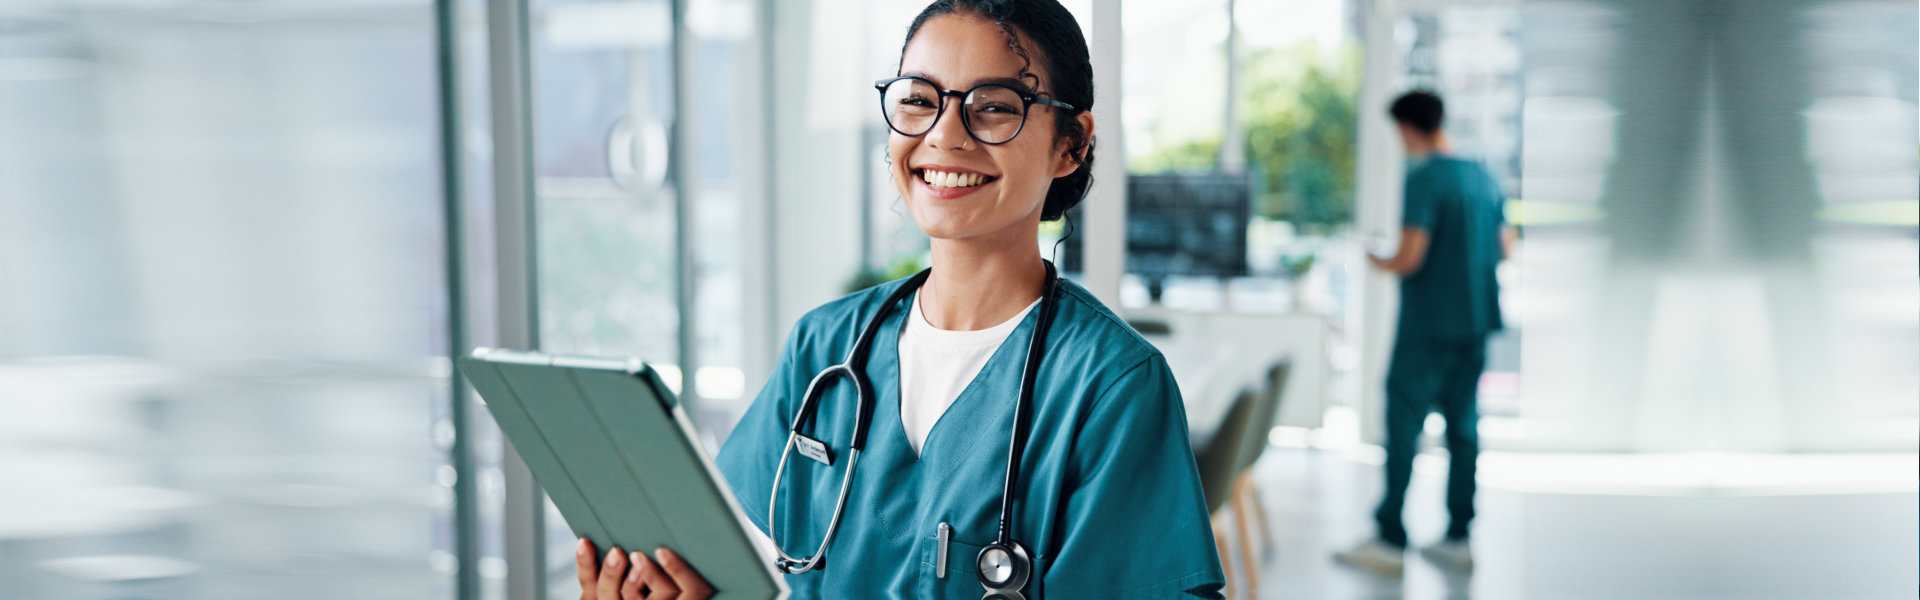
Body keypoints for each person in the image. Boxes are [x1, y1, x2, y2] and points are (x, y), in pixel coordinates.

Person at [574, 1, 1226, 598]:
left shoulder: (1111, 387)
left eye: (994, 106)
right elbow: (740, 561)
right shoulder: (825, 345)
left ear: (1071, 144)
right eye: (919, 100)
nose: (945, 135)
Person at [1337, 90, 1514, 578]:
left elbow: (1410, 256)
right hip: (1475, 323)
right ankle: (1459, 537)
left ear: (1408, 128)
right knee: (1462, 429)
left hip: (1428, 328)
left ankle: (1391, 540)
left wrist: (1378, 257)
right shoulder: (1483, 176)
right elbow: (1506, 247)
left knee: (1403, 426)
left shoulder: (1424, 179)